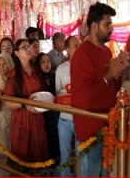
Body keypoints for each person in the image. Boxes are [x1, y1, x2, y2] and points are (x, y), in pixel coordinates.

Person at [71, 2, 129, 176]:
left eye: (111, 24)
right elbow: (84, 100)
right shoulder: (82, 55)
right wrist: (110, 75)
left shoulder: (105, 51)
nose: (111, 28)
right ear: (94, 26)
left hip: (107, 126)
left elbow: (110, 88)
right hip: (90, 130)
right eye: (107, 24)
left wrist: (120, 73)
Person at [3, 39, 48, 162]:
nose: (29, 49)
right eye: (25, 47)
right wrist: (24, 104)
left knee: (38, 153)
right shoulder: (14, 74)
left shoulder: (36, 71)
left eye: (29, 46)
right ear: (17, 53)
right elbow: (8, 102)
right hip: (22, 120)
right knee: (23, 155)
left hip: (38, 119)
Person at [55, 36, 81, 176]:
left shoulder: (86, 68)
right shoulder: (61, 69)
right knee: (65, 156)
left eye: (80, 45)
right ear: (68, 49)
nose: (79, 48)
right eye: (76, 46)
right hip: (64, 119)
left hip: (81, 118)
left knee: (81, 155)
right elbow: (57, 92)